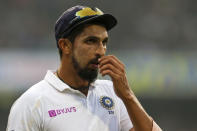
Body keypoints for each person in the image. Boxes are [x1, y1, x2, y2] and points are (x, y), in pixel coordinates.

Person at [6, 5, 162, 131]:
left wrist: (127, 95)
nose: (101, 51)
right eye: (91, 41)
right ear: (65, 45)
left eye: (104, 42)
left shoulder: (112, 93)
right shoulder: (32, 103)